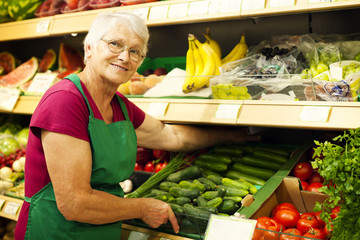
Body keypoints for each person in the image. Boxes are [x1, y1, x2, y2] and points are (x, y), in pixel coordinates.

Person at [15, 11, 260, 240]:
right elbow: (74, 203)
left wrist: (229, 137)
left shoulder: (119, 105)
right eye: (115, 44)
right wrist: (141, 207)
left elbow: (171, 135)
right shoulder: (65, 101)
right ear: (88, 49)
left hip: (100, 230)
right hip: (55, 231)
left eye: (135, 52)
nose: (124, 57)